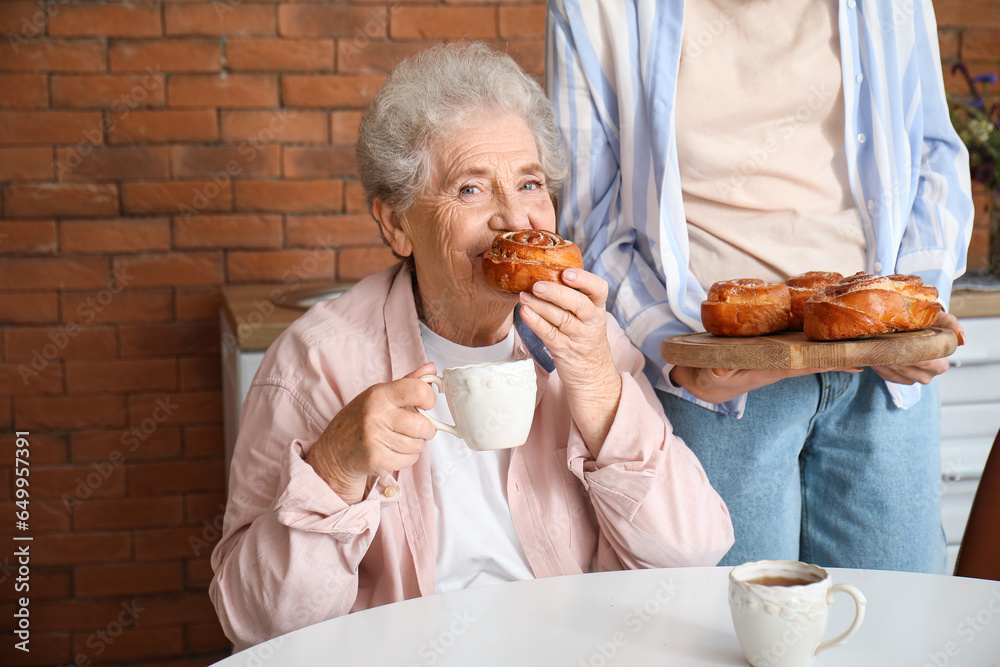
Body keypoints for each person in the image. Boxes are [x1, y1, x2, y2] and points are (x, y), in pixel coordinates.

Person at [210, 43, 733, 651]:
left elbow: (694, 551)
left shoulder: (587, 339)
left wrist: (598, 386)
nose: (516, 219)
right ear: (398, 223)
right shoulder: (316, 363)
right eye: (470, 191)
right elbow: (257, 624)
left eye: (530, 183)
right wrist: (334, 469)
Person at [547, 0, 973, 573]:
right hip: (718, 387)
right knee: (722, 644)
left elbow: (932, 152)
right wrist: (681, 357)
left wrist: (912, 305)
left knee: (896, 636)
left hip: (882, 377)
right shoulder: (593, 9)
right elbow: (591, 219)